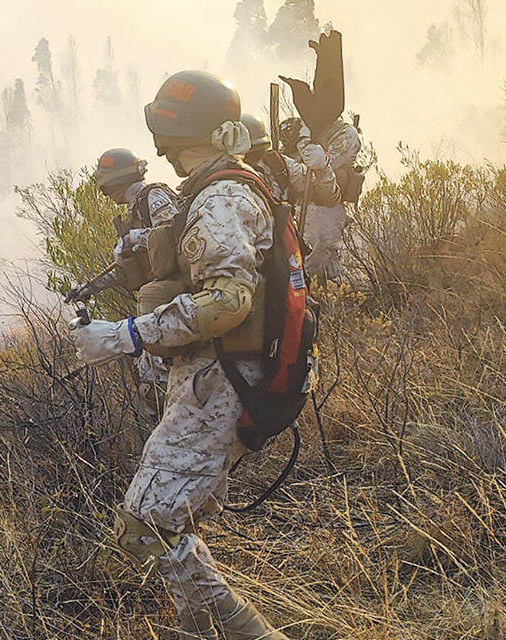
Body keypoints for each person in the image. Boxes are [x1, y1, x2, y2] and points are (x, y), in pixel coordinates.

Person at [69, 70, 293, 640]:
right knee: (170, 518)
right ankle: (198, 629)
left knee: (149, 524)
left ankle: (250, 633)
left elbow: (226, 303)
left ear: (170, 130)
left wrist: (125, 335)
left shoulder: (218, 195)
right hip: (214, 377)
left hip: (222, 382)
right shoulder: (214, 187)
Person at [65, 149, 181, 407]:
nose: (107, 193)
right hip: (154, 302)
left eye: (107, 186)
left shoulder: (154, 196)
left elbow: (175, 233)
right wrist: (90, 288)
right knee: (150, 379)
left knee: (162, 377)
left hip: (177, 300)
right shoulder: (133, 212)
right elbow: (128, 271)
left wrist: (134, 238)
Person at [279, 115, 363, 281]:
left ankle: (328, 302)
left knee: (317, 267)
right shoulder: (301, 133)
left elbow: (321, 167)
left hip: (324, 209)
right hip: (300, 208)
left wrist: (301, 148)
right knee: (303, 266)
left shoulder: (345, 134)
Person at [240, 113, 339, 210]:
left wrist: (322, 169)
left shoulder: (277, 164)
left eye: (256, 151)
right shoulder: (228, 176)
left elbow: (327, 197)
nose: (250, 161)